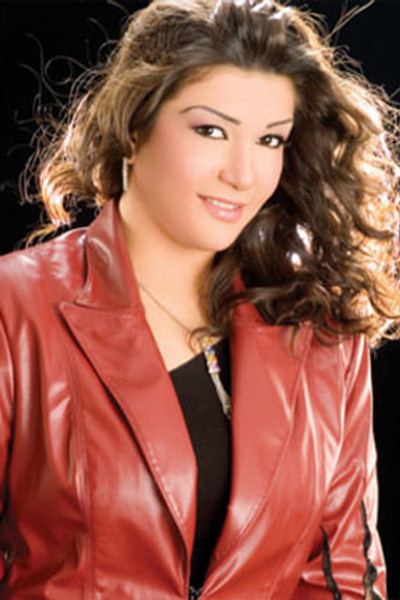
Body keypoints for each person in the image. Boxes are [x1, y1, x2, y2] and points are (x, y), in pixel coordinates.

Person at [1, 0, 399, 598]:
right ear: (134, 128)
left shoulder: (318, 326)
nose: (243, 174)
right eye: (211, 130)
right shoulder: (14, 308)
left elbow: (343, 576)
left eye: (270, 139)